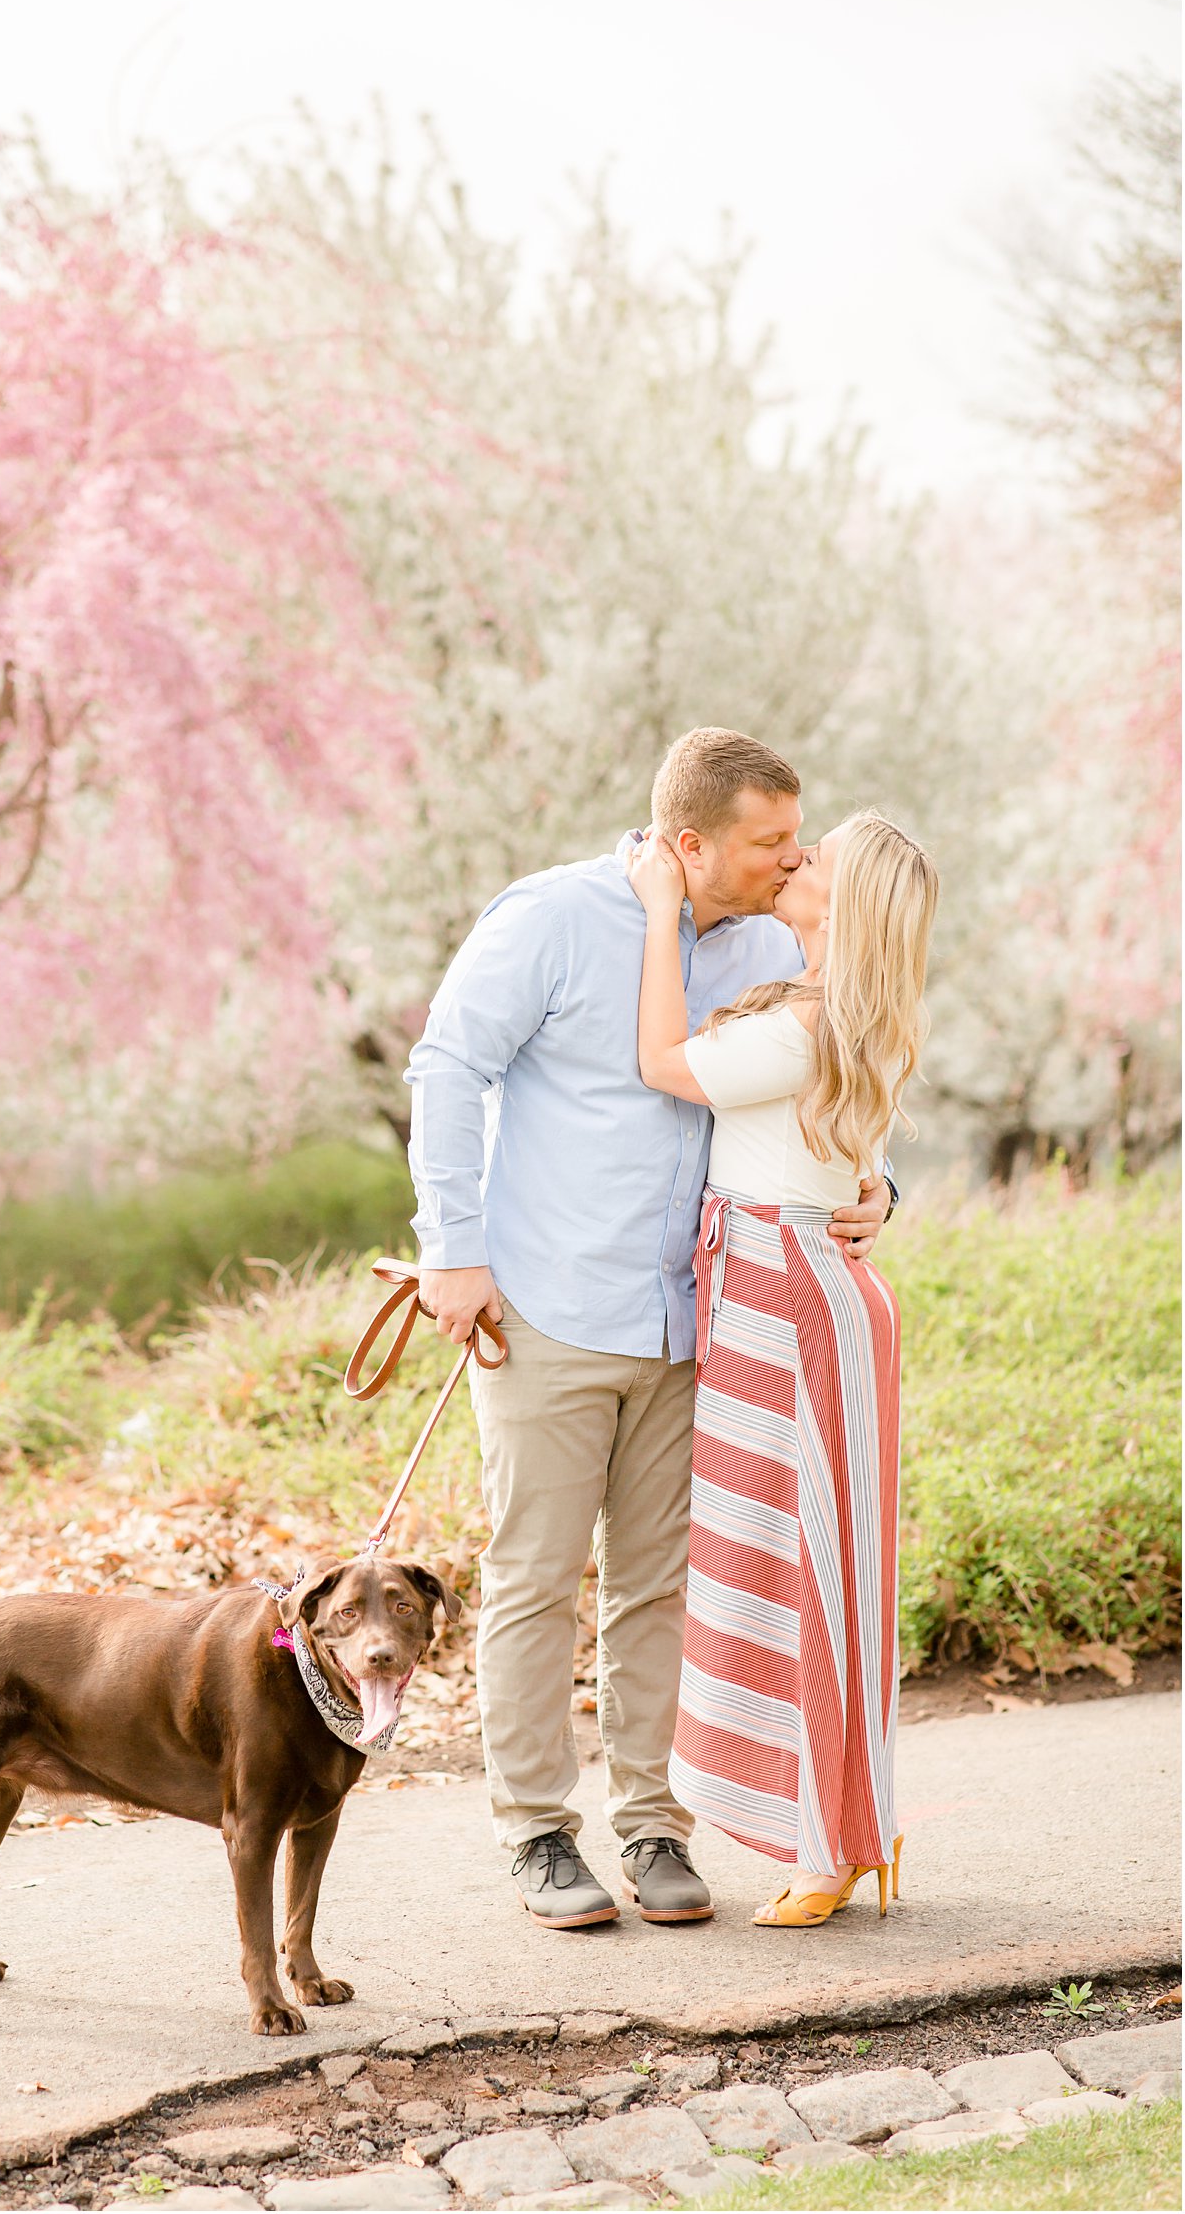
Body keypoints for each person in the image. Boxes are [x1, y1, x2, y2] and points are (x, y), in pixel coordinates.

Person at [404, 726, 893, 1929]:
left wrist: (875, 1188)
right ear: (689, 843)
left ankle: (651, 1825)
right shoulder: (552, 917)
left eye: (797, 841)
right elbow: (446, 1066)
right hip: (548, 1311)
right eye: (767, 843)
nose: (789, 862)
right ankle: (533, 1833)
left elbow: (827, 1086)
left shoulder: (781, 940)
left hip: (703, 1327)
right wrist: (451, 1251)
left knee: (660, 1587)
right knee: (531, 1579)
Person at [624, 808, 937, 1926]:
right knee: (797, 1562)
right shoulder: (828, 1012)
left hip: (786, 1292)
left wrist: (661, 906)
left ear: (847, 906)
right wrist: (879, 1188)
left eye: (822, 859)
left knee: (804, 1568)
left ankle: (829, 1841)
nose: (798, 859)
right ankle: (849, 1829)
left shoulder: (811, 1025)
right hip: (779, 1285)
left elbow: (661, 1063)